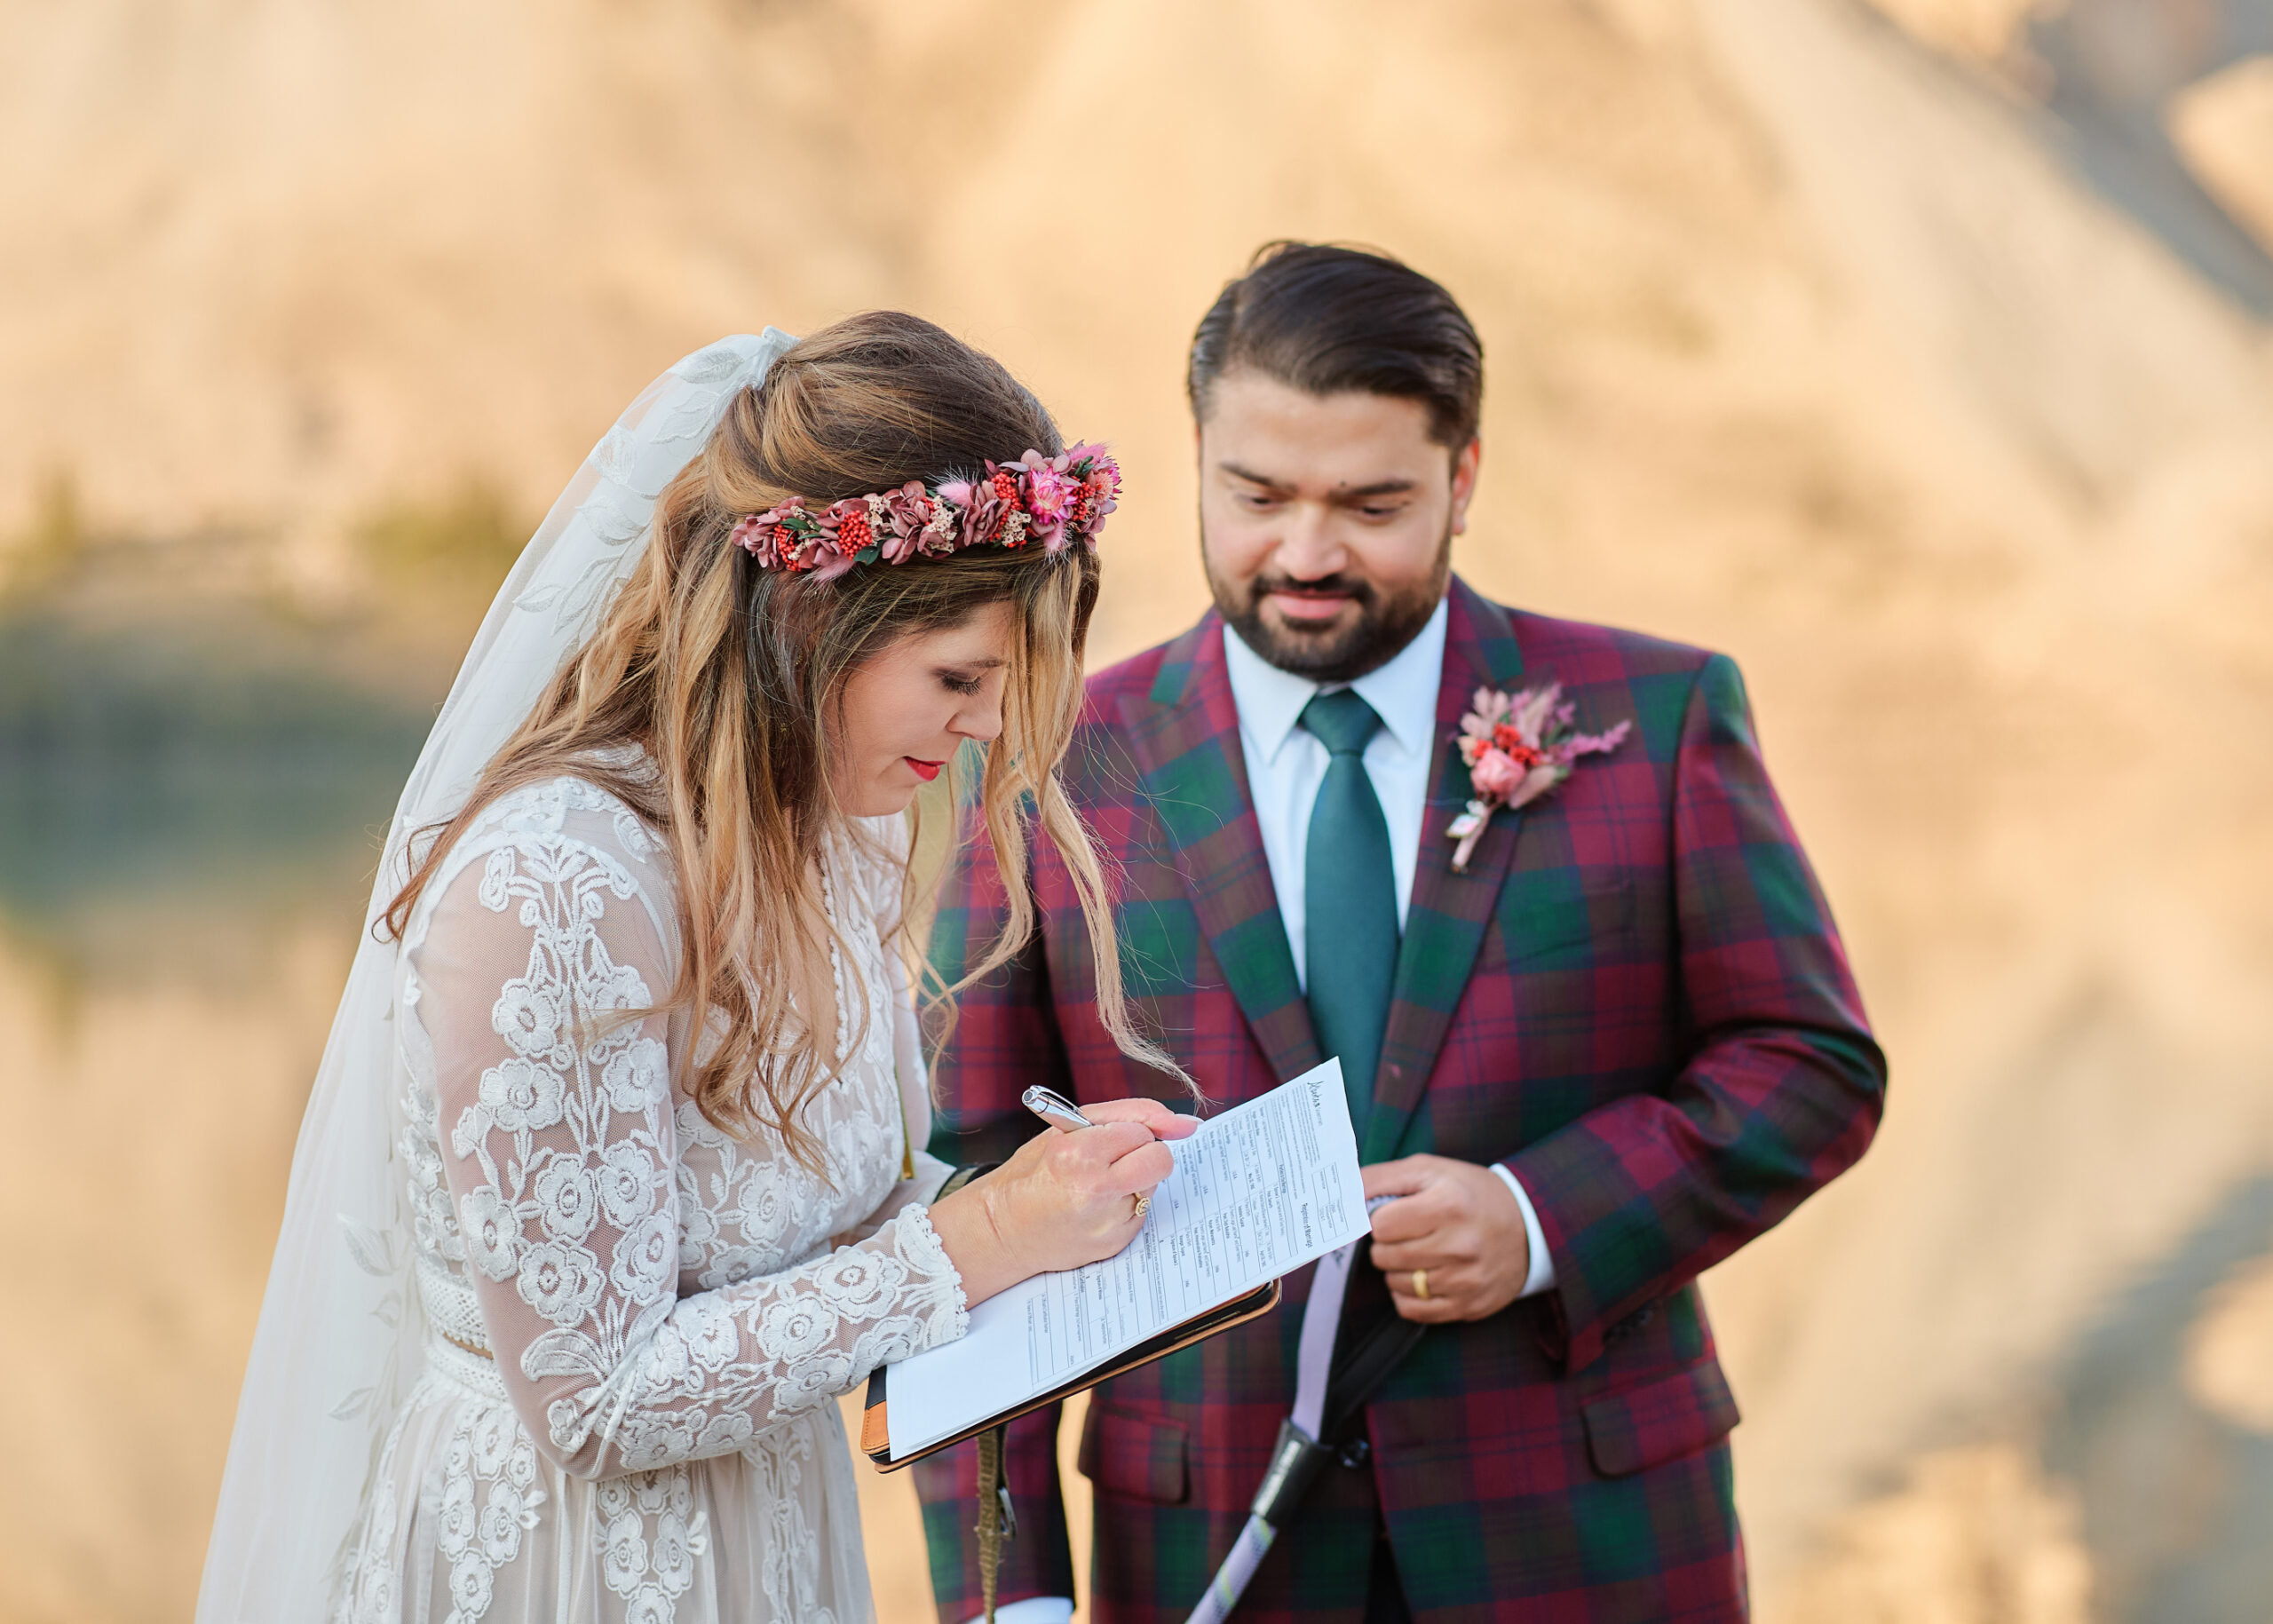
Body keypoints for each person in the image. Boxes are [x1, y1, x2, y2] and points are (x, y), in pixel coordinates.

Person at [914, 244, 1888, 1622]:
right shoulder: (1048, 759)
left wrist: (1541, 1219)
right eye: (1258, 495)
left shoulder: (1656, 717)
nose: (1308, 553)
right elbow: (967, 1184)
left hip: (1585, 1541)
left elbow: (1812, 1062)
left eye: (1371, 504)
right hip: (1204, 1547)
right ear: (1198, 461)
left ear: (1464, 479)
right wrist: (1009, 1603)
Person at [195, 314, 1199, 1624]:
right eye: (959, 675)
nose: (992, 725)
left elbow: (832, 1226)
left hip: (774, 1541)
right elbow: (593, 1400)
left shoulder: (838, 822)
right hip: (568, 1573)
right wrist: (984, 1239)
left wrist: (1046, 1198)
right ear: (811, 614)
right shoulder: (553, 887)